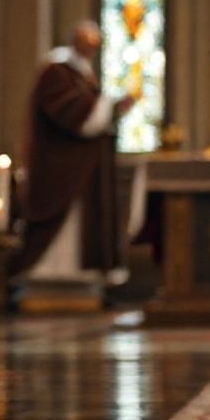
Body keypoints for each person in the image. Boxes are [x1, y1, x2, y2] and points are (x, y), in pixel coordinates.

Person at [13, 20, 140, 289]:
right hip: (58, 170)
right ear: (75, 41)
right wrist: (108, 105)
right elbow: (74, 115)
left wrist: (115, 108)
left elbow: (93, 114)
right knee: (59, 232)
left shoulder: (81, 75)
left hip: (79, 171)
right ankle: (50, 281)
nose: (91, 49)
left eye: (95, 44)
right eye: (87, 42)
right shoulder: (56, 71)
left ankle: (78, 281)